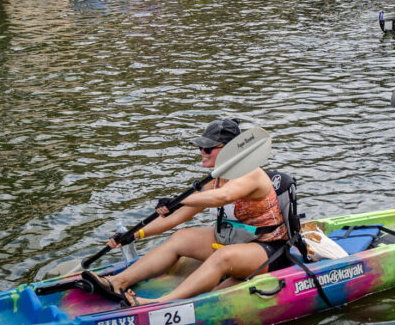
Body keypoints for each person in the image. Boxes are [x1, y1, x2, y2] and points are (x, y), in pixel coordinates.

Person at [81, 119, 291, 306]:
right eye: (201, 147)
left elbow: (224, 197)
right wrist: (133, 235)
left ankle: (159, 303)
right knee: (180, 237)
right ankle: (118, 283)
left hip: (268, 250)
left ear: (228, 150)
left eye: (208, 148)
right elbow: (176, 217)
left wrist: (177, 200)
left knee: (223, 256)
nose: (202, 152)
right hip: (234, 240)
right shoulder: (216, 180)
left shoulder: (251, 174)